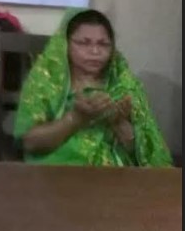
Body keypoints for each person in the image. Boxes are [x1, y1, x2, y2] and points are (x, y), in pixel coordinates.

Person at [14, 9, 172, 166]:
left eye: (103, 44)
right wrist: (76, 118)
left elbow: (147, 157)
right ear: (65, 44)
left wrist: (120, 125)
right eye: (83, 43)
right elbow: (30, 143)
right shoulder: (46, 81)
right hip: (58, 172)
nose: (95, 51)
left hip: (115, 176)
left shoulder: (125, 87)